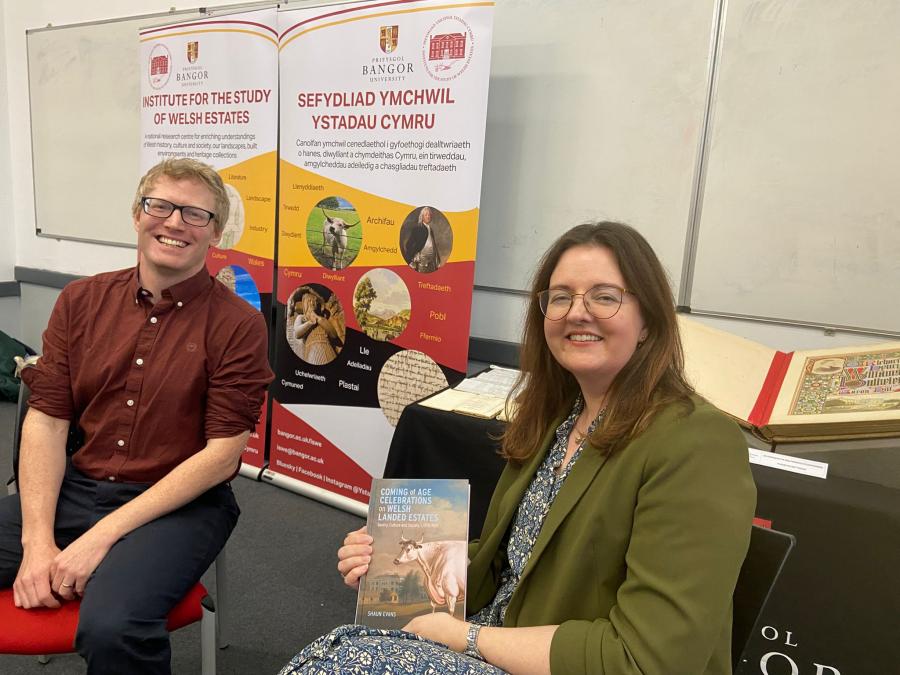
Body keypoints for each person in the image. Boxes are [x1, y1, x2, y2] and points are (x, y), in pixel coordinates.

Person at [281, 221, 756, 675]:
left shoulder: (697, 442)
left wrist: (460, 637)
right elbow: (510, 564)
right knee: (344, 650)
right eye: (561, 297)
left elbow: (648, 660)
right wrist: (394, 559)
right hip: (499, 642)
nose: (576, 312)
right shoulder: (559, 417)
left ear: (649, 321)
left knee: (342, 659)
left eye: (605, 297)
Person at [0, 158, 274, 675]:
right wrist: (38, 545)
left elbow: (221, 457)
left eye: (195, 214)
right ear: (137, 214)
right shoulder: (80, 301)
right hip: (78, 488)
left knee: (114, 628)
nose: (174, 223)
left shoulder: (238, 325)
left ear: (215, 234)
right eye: (161, 206)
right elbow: (48, 419)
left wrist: (96, 540)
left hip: (182, 506)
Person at [288, 286, 344, 365]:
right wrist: (310, 322)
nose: (312, 303)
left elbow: (334, 335)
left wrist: (318, 319)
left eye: (314, 302)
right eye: (309, 301)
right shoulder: (302, 317)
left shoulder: (322, 318)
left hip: (326, 346)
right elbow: (297, 333)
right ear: (304, 304)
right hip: (312, 349)